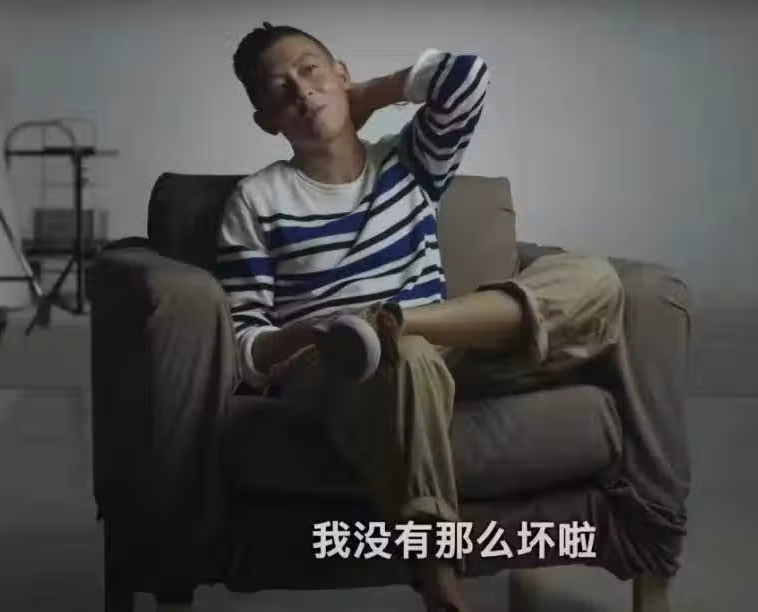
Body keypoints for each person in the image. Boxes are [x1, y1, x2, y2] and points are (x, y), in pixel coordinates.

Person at [217, 22, 625, 612]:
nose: (302, 92)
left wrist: (369, 95)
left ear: (340, 73)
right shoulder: (256, 201)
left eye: (311, 71)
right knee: (403, 356)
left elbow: (467, 76)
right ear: (266, 121)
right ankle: (439, 583)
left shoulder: (409, 162)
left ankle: (397, 321)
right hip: (343, 370)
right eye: (280, 90)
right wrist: (313, 334)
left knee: (594, 277)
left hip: (444, 346)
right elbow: (245, 344)